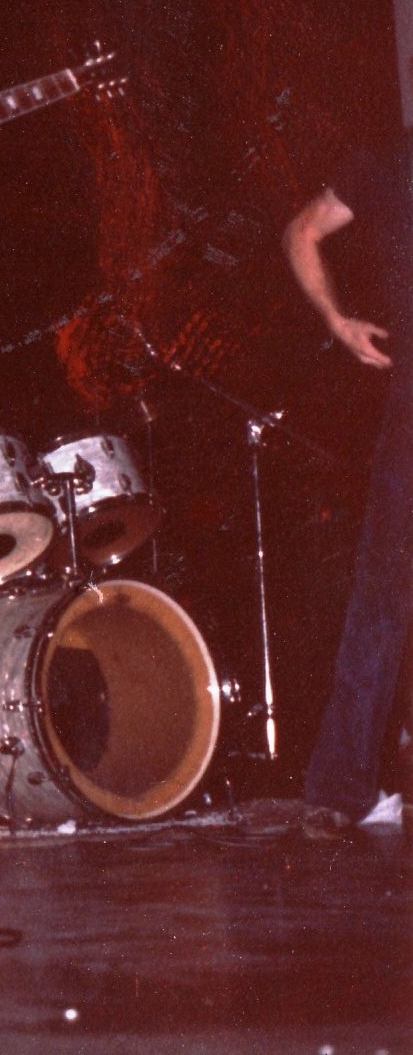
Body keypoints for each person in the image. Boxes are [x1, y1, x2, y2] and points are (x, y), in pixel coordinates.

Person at [282, 129, 412, 830]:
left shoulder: (383, 160)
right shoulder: (382, 161)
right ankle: (339, 782)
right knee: (382, 589)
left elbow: (302, 231)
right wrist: (336, 321)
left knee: (383, 590)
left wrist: (337, 321)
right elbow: (300, 232)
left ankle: (340, 786)